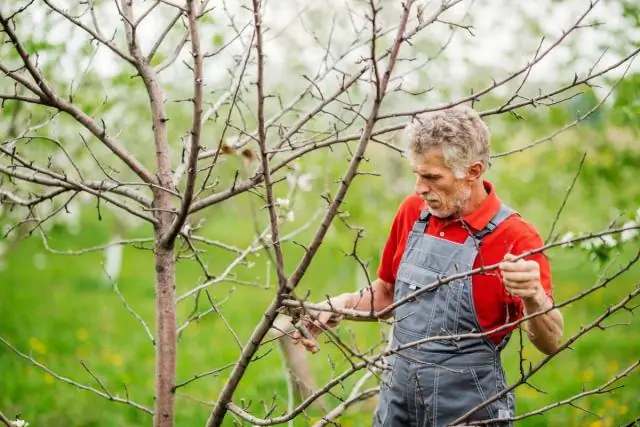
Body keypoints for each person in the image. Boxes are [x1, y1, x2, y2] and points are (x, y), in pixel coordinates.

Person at [294, 105, 564, 427]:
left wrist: (534, 296)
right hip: (396, 406)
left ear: (473, 171)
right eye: (417, 174)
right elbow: (389, 294)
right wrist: (341, 304)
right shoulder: (413, 212)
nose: (419, 188)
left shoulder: (515, 238)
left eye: (432, 177)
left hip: (468, 413)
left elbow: (550, 342)